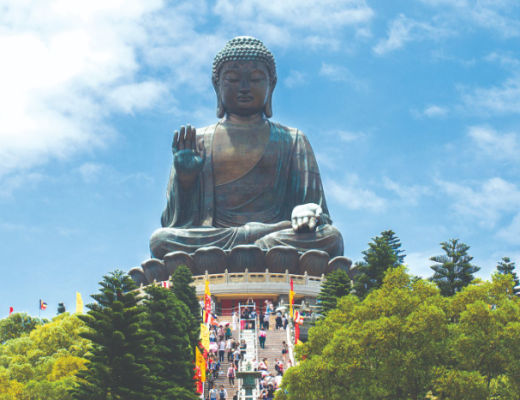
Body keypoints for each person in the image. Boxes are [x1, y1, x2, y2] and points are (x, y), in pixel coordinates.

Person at [148, 36, 344, 262]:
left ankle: (247, 251)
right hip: (218, 239)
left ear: (271, 85)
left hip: (274, 235)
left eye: (255, 79)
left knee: (331, 237)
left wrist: (308, 211)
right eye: (232, 79)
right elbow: (174, 224)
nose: (243, 88)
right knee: (160, 240)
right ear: (217, 85)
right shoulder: (197, 141)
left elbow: (318, 214)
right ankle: (255, 250)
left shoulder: (293, 140)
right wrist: (186, 180)